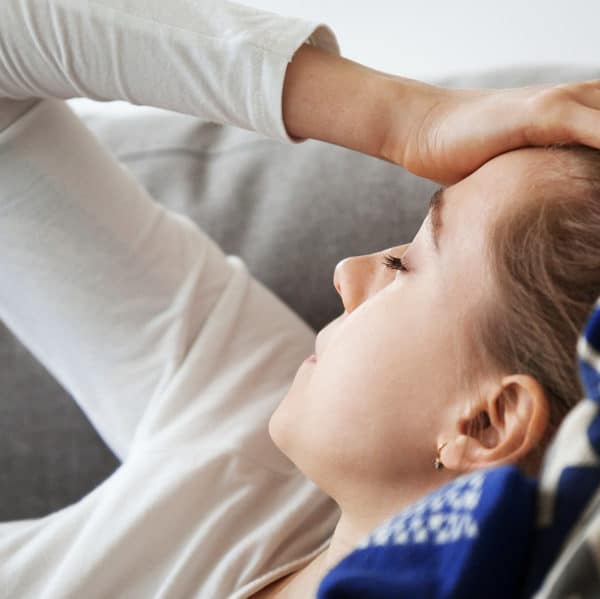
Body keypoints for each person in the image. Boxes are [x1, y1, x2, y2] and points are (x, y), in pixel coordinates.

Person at [0, 1, 599, 598]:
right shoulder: (242, 428)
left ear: (484, 423)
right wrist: (406, 119)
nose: (345, 273)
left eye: (402, 265)